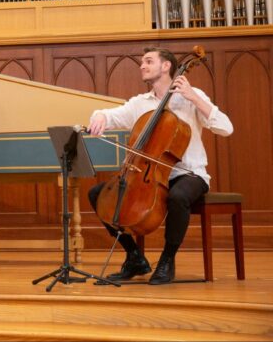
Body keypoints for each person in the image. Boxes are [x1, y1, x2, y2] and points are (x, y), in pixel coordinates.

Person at [87, 47, 233, 285]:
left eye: (148, 61)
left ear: (166, 66)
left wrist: (194, 97)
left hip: (188, 174)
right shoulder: (140, 103)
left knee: (177, 196)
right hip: (149, 174)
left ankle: (167, 259)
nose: (141, 65)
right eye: (142, 62)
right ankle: (134, 257)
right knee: (98, 194)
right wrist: (100, 117)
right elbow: (111, 115)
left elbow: (226, 128)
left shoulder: (192, 96)